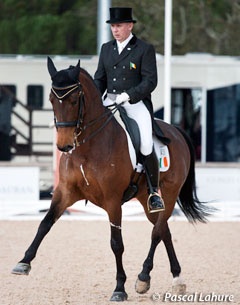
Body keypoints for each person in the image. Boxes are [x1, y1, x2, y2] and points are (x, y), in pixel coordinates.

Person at [94, 7, 164, 213]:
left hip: (134, 103)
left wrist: (130, 95)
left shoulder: (143, 49)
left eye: (119, 26)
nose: (115, 30)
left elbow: (151, 81)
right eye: (113, 26)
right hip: (110, 101)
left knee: (145, 143)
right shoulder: (106, 49)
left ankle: (153, 192)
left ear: (129, 26)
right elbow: (100, 79)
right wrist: (95, 98)